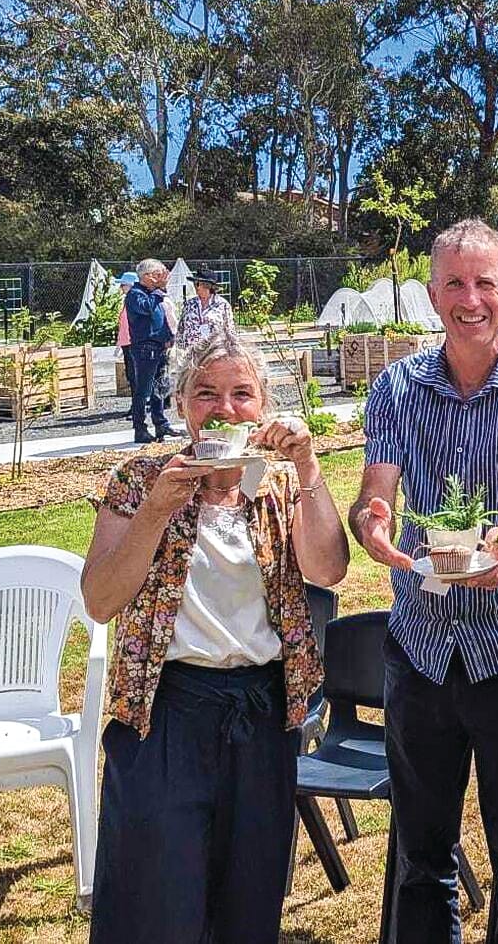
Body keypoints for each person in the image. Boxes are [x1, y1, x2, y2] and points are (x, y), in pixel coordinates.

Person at [350, 218, 498, 942]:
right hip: (419, 654)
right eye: (454, 282)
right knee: (422, 854)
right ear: (432, 293)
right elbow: (374, 496)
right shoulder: (396, 387)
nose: (470, 298)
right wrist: (374, 524)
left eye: (486, 283)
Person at [81, 332, 349, 944]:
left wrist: (307, 464)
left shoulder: (277, 484)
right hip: (164, 713)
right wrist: (154, 511)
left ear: (262, 407)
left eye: (241, 394)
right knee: (156, 894)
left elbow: (329, 569)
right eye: (206, 394)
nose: (224, 410)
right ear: (180, 403)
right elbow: (100, 601)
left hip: (261, 712)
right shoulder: (139, 478)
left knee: (248, 893)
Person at [124, 258, 183, 442]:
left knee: (160, 386)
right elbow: (147, 309)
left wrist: (168, 337)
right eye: (158, 274)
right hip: (144, 348)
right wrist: (159, 290)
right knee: (143, 390)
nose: (162, 278)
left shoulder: (154, 293)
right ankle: (140, 428)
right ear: (148, 276)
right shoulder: (135, 294)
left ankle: (161, 423)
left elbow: (161, 318)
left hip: (159, 347)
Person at [178, 268, 236, 347]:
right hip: (191, 353)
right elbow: (181, 329)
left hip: (214, 352)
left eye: (198, 283)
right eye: (195, 283)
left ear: (208, 286)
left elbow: (230, 330)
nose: (195, 286)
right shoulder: (189, 304)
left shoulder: (222, 305)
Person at [115, 270, 139, 398]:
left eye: (123, 285)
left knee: (134, 374)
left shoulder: (134, 302)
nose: (121, 287)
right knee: (131, 374)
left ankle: (137, 406)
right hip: (126, 342)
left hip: (132, 342)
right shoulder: (127, 301)